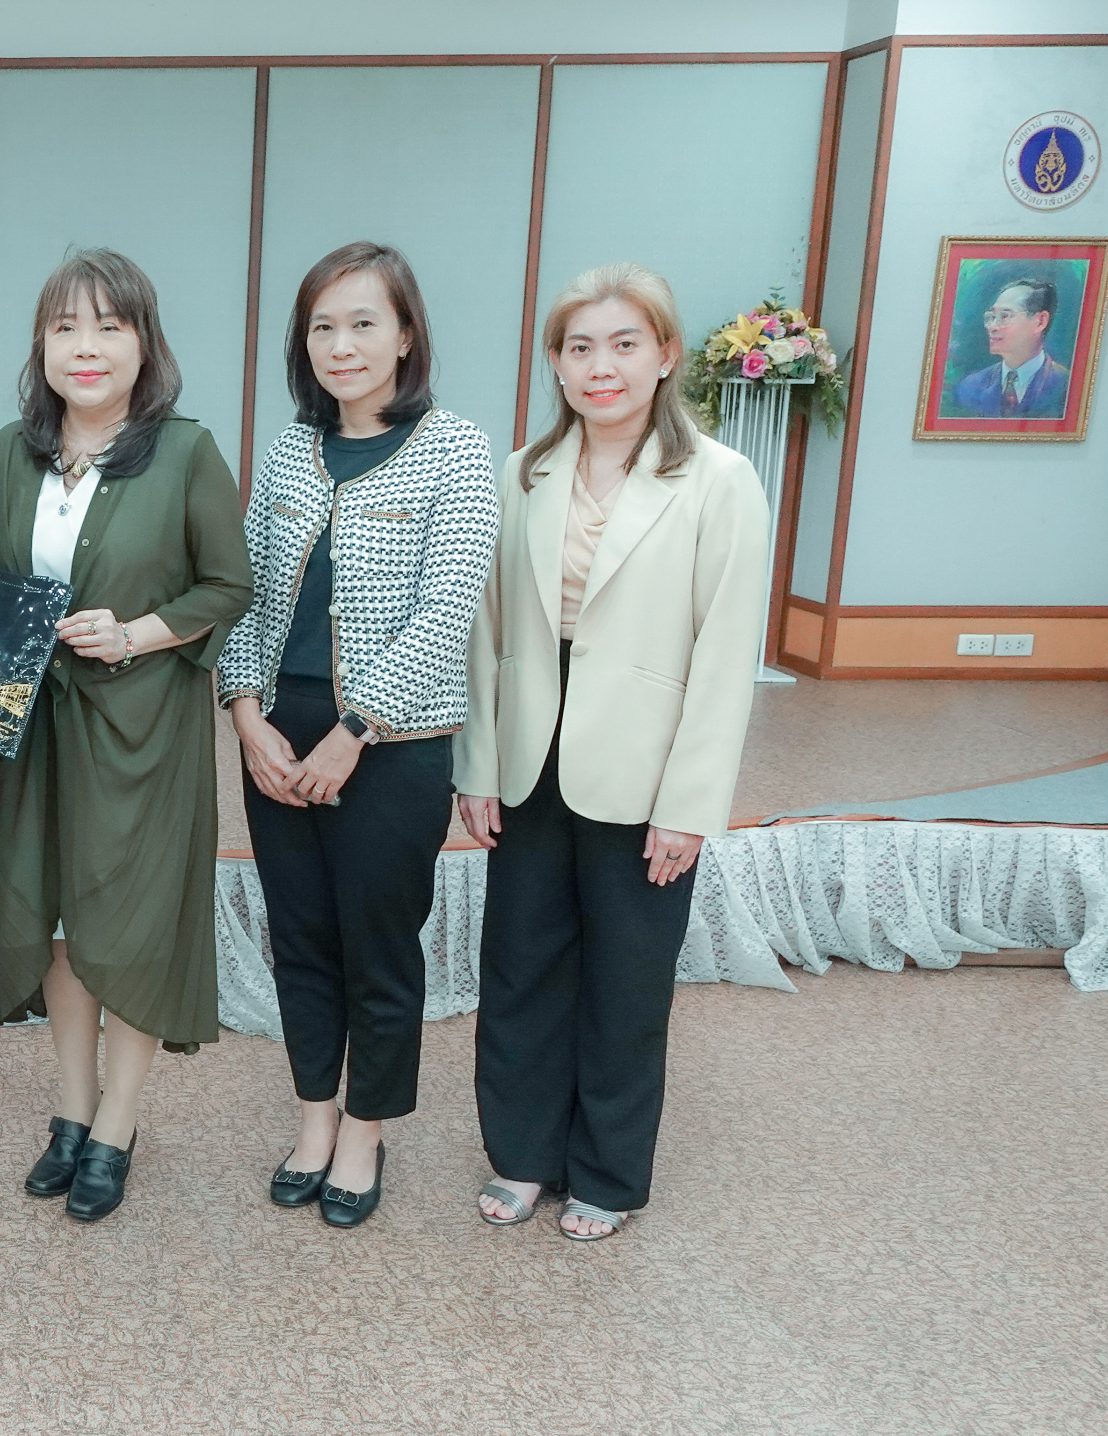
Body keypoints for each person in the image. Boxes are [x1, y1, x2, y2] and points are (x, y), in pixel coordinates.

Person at [455, 261, 769, 1241]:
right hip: (529, 751)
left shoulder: (718, 480)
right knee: (519, 965)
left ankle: (607, 1171)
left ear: (665, 355)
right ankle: (521, 1153)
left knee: (627, 980)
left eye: (625, 344)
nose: (602, 366)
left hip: (644, 762)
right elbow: (486, 632)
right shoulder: (523, 472)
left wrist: (690, 804)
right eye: (581, 346)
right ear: (555, 362)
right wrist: (476, 765)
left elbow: (725, 656)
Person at [218, 241, 499, 1230]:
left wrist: (353, 731)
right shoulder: (288, 448)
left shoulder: (457, 450)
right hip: (277, 731)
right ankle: (313, 1119)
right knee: (298, 937)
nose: (342, 345)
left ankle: (365, 1130)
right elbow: (246, 590)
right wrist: (244, 714)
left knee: (377, 945)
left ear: (406, 334)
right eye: (323, 326)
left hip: (395, 742)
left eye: (364, 323)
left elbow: (445, 610)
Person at [0, 249, 251, 1223]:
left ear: (143, 343)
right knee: (49, 911)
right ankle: (72, 1110)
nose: (84, 347)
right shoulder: (10, 451)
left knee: (127, 917)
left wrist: (135, 632)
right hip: (34, 731)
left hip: (143, 731)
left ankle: (120, 1123)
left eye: (108, 326)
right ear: (41, 345)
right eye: (65, 327)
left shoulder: (185, 451)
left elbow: (228, 584)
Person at [950, 276, 1071, 418]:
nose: (993, 327)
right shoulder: (971, 387)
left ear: (1040, 322)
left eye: (1005, 316)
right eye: (991, 317)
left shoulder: (1067, 385)